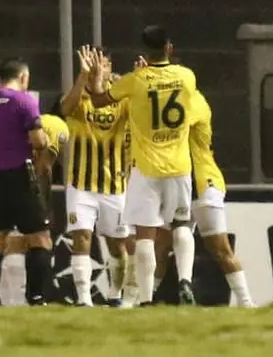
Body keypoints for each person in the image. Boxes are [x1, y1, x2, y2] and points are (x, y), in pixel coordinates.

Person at [85, 26, 199, 307]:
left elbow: (100, 101)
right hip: (180, 166)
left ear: (144, 50)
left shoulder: (135, 81)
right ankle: (185, 280)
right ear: (169, 48)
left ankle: (146, 299)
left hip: (145, 169)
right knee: (181, 224)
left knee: (145, 234)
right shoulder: (187, 77)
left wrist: (96, 79)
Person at [153, 90, 256, 307]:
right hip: (179, 185)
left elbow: (171, 124)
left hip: (203, 183)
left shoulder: (196, 101)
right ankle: (143, 299)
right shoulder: (171, 101)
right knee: (160, 245)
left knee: (219, 248)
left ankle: (247, 303)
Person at [0, 59, 56, 306]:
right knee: (40, 238)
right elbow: (38, 140)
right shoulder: (24, 101)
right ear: (23, 78)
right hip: (20, 176)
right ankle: (36, 297)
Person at [58, 45, 133, 307]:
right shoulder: (78, 97)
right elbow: (65, 110)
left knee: (117, 246)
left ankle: (115, 295)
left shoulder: (123, 100)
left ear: (111, 67)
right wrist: (83, 76)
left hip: (115, 185)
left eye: (103, 64)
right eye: (93, 64)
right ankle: (84, 299)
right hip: (81, 184)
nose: (97, 69)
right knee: (82, 237)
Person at [0, 111, 68, 306]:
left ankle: (1, 301)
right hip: (19, 184)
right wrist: (42, 205)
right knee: (33, 240)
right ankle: (24, 300)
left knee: (0, 241)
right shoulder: (58, 127)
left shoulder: (16, 121)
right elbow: (44, 168)